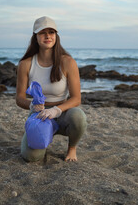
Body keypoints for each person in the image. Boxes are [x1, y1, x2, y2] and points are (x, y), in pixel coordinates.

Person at [16, 16, 87, 162]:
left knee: (78, 116)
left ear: (56, 36)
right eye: (43, 32)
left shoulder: (68, 62)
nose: (47, 36)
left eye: (51, 32)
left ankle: (72, 148)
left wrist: (56, 110)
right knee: (32, 158)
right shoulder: (26, 63)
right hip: (39, 115)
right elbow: (19, 98)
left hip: (62, 113)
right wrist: (32, 105)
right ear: (35, 37)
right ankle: (44, 134)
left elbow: (76, 99)